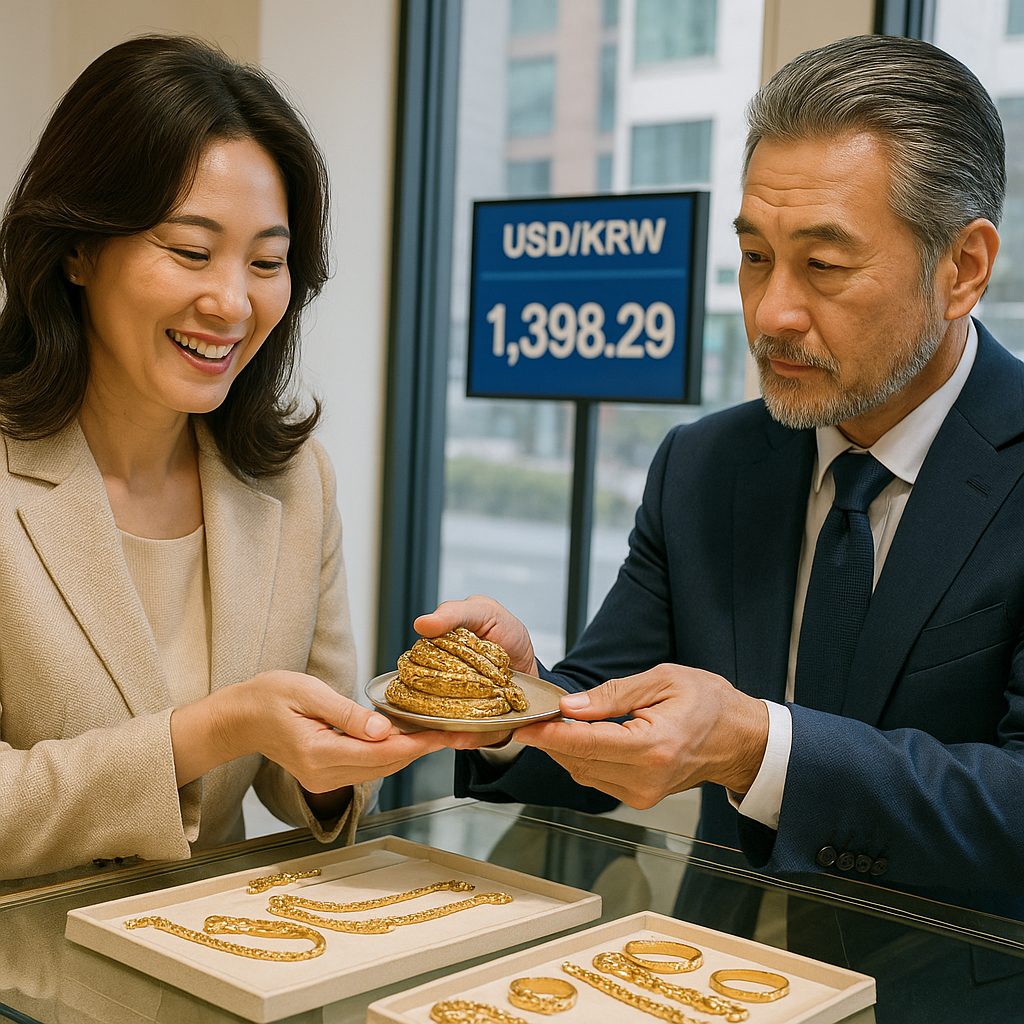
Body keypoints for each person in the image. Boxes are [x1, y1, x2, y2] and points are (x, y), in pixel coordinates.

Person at [420, 33, 1024, 930]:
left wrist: (759, 750)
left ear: (963, 268)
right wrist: (517, 703)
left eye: (824, 265)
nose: (773, 311)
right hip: (703, 974)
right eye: (753, 257)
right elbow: (606, 716)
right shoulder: (704, 466)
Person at [0, 35, 447, 881]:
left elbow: (292, 781)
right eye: (192, 251)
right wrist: (209, 731)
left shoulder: (294, 478)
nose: (233, 302)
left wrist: (374, 742)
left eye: (268, 262)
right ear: (78, 248)